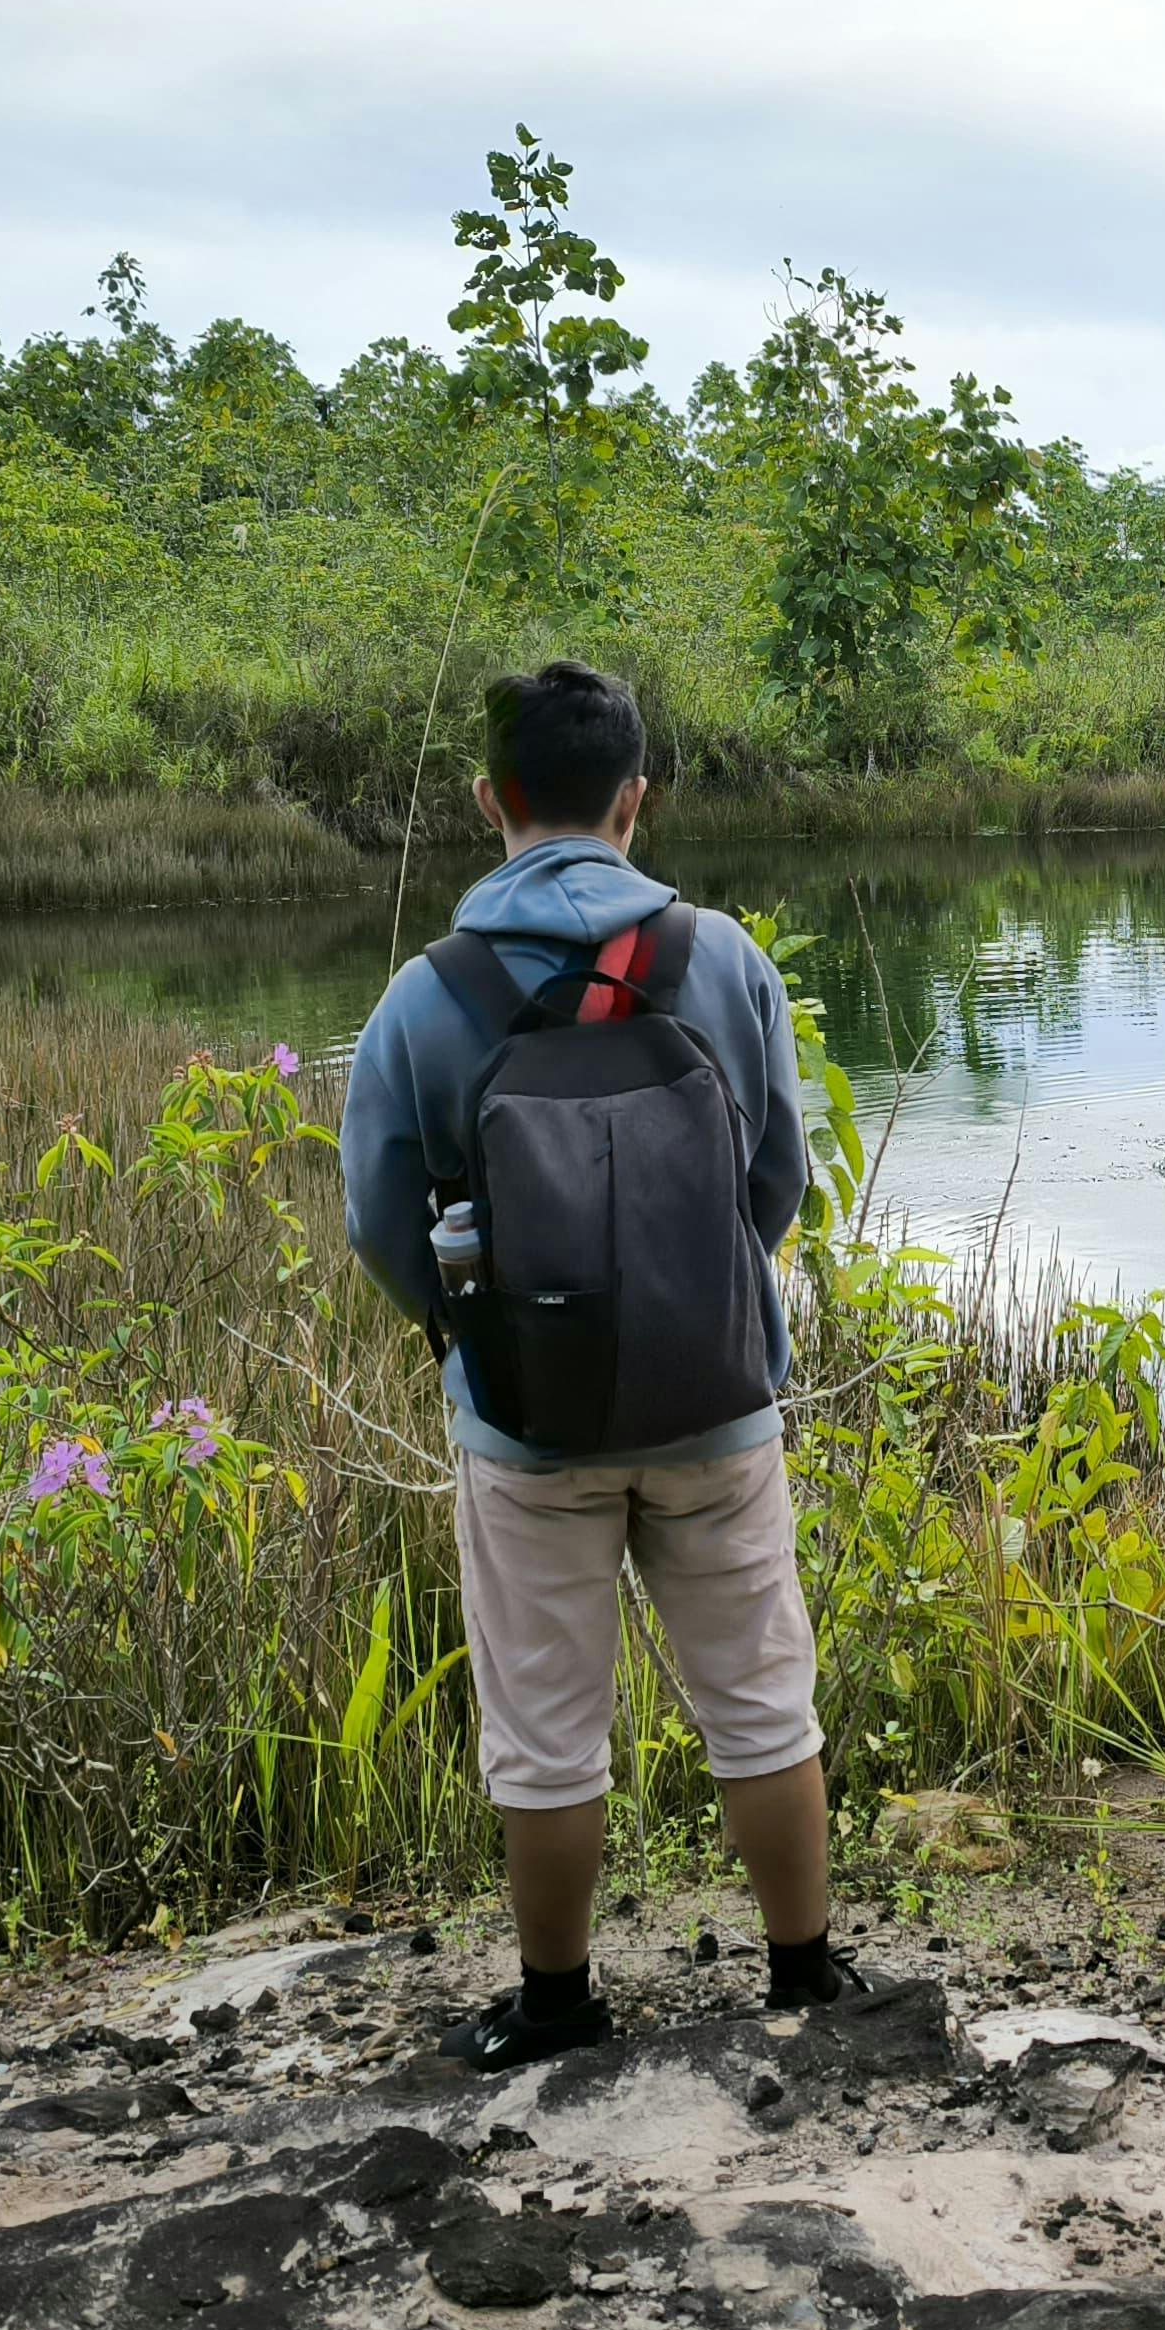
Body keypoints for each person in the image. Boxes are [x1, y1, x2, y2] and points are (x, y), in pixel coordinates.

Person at [341, 658, 860, 2069]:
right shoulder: (725, 960)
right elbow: (777, 1182)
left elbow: (380, 1223)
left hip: (525, 1425)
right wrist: (704, 1300)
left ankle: (559, 2005)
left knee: (546, 1726)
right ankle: (806, 1976)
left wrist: (464, 1337)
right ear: (637, 798)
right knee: (760, 1694)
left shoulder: (425, 996)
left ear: (487, 797)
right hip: (717, 1405)